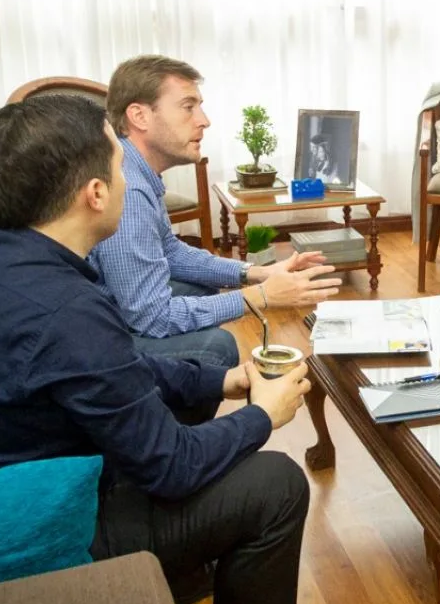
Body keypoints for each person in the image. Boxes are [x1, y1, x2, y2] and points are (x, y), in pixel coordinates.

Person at [0, 93, 359, 604]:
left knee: (199, 368)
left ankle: (184, 567)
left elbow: (113, 372)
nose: (126, 178)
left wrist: (223, 385)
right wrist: (263, 415)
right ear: (95, 194)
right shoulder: (62, 307)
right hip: (7, 534)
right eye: (117, 165)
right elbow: (172, 467)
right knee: (274, 482)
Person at [90, 55, 341, 369]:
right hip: (88, 334)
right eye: (188, 106)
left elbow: (169, 250)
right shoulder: (129, 190)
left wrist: (255, 273)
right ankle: (162, 416)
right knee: (217, 348)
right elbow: (151, 318)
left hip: (107, 305)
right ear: (139, 116)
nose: (204, 120)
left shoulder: (136, 170)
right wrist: (261, 296)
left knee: (202, 290)